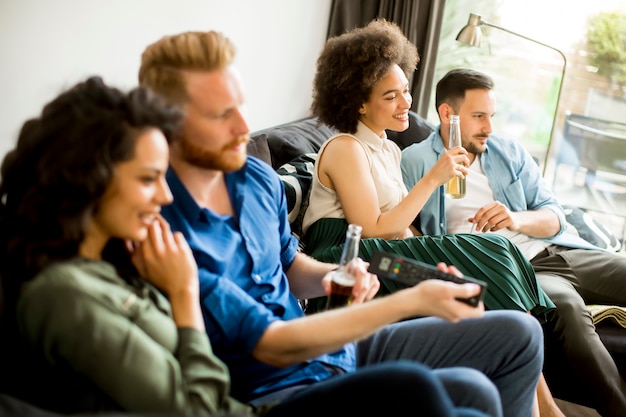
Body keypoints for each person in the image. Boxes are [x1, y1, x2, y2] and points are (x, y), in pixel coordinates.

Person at [0, 77, 484, 417]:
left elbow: (283, 276)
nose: (166, 195)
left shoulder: (128, 256)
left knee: (470, 388)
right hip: (256, 401)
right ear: (89, 181)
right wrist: (186, 300)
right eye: (149, 179)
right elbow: (201, 406)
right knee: (417, 387)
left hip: (292, 367)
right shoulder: (66, 295)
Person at [138, 28, 545, 417]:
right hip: (274, 382)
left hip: (327, 350)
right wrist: (413, 298)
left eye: (241, 107)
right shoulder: (160, 226)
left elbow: (290, 265)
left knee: (513, 343)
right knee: (418, 385)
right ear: (170, 123)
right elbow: (268, 343)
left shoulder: (257, 179)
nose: (244, 129)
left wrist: (337, 276)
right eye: (221, 114)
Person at [300, 20, 562, 417]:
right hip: (348, 262)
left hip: (386, 257)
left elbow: (401, 229)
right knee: (493, 249)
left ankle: (533, 402)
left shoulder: (386, 149)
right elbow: (371, 229)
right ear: (359, 102)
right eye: (391, 95)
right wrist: (433, 178)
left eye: (405, 89)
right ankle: (544, 409)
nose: (406, 101)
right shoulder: (344, 148)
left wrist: (433, 258)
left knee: (478, 276)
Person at [401, 67, 626, 417]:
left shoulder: (507, 150)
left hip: (557, 249)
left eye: (491, 116)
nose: (489, 127)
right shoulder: (415, 162)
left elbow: (555, 215)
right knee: (567, 309)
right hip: (515, 271)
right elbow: (406, 230)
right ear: (448, 113)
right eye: (478, 116)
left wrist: (515, 217)